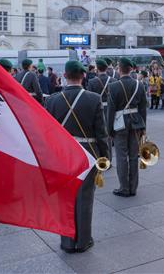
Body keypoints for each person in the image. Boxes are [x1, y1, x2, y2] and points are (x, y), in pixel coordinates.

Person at [45, 60, 110, 253]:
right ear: (83, 76)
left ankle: (67, 241)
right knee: (85, 197)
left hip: (62, 154)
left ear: (64, 76)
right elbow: (101, 133)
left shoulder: (52, 100)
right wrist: (105, 156)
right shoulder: (94, 98)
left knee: (65, 197)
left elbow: (47, 133)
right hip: (87, 154)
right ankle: (83, 241)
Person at [106, 58, 147, 197]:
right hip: (136, 123)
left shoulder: (113, 86)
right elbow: (143, 108)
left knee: (122, 156)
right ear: (130, 69)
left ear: (119, 69)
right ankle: (133, 187)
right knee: (134, 156)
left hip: (119, 124)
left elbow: (110, 110)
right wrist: (143, 127)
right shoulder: (139, 85)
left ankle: (124, 187)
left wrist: (109, 130)